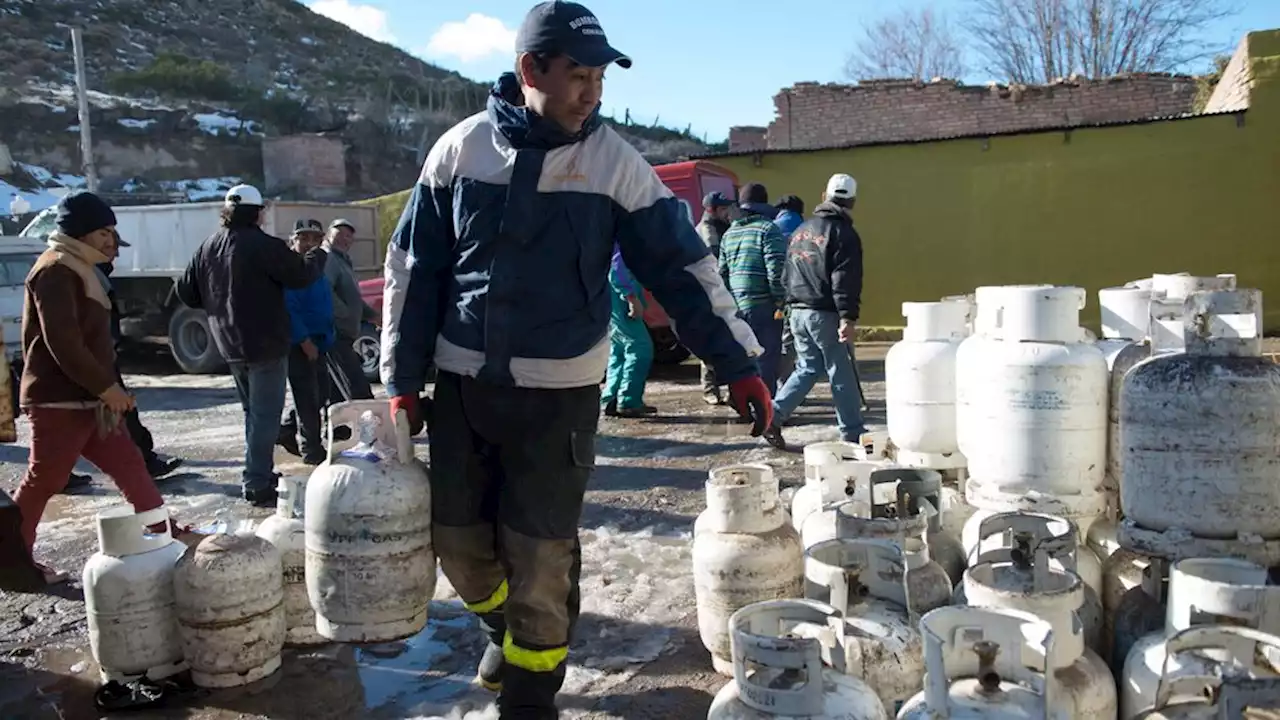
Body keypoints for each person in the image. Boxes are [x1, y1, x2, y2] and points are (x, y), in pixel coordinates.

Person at [381, 3, 772, 716]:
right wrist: (401, 382)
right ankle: (504, 623)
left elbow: (683, 269)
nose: (592, 93)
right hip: (465, 389)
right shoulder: (459, 152)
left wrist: (737, 362)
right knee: (459, 547)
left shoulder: (613, 164)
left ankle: (531, 695)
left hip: (559, 397)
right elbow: (413, 271)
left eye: (598, 78)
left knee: (537, 556)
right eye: (579, 76)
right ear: (532, 70)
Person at [14, 191, 173, 584]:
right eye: (103, 232)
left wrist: (104, 391)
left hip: (89, 401)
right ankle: (12, 560)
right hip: (60, 400)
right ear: (80, 231)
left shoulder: (80, 267)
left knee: (131, 465)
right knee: (45, 479)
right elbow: (63, 342)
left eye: (112, 232)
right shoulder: (55, 270)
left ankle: (166, 536)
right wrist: (107, 388)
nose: (111, 240)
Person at [175, 185, 326, 507]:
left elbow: (186, 292)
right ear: (258, 213)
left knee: (253, 415)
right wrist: (317, 256)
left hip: (229, 342)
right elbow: (300, 275)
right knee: (266, 416)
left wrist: (218, 303)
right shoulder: (263, 245)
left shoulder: (207, 247)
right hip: (265, 342)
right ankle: (257, 482)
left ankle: (259, 472)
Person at [64, 230, 184, 492]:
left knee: (102, 421)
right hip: (95, 362)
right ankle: (144, 465)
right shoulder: (85, 274)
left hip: (100, 358)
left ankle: (143, 467)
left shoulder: (95, 274)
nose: (116, 253)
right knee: (111, 416)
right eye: (112, 247)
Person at [764, 173, 866, 450]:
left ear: (825, 196)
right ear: (852, 202)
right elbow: (845, 280)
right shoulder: (844, 234)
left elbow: (786, 273)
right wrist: (848, 317)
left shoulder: (801, 231)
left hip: (797, 311)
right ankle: (854, 433)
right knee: (840, 371)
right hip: (825, 314)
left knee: (808, 367)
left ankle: (772, 415)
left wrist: (787, 306)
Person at [718, 182, 787, 396]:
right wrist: (780, 300)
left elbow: (722, 273)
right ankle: (766, 409)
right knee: (766, 358)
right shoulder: (768, 229)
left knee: (742, 357)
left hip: (737, 306)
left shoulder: (729, 234)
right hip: (763, 305)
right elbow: (775, 269)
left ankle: (741, 402)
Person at [277, 219, 335, 465]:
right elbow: (288, 309)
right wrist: (304, 341)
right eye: (304, 238)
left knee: (321, 393)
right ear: (294, 240)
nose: (310, 243)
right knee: (308, 398)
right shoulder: (291, 269)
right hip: (301, 344)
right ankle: (311, 449)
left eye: (315, 238)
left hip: (321, 342)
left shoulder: (317, 268)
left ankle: (286, 431)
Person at [322, 218, 376, 402]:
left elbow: (353, 298)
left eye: (349, 236)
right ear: (329, 235)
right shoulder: (329, 258)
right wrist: (344, 314)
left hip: (344, 336)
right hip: (335, 335)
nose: (345, 239)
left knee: (332, 392)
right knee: (357, 387)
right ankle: (367, 425)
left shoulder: (343, 261)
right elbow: (325, 290)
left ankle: (339, 429)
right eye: (340, 234)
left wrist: (373, 316)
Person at [600, 244, 655, 418]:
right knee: (640, 347)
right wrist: (630, 297)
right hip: (621, 296)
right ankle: (628, 400)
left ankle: (611, 397)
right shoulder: (624, 236)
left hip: (611, 296)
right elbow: (617, 269)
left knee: (619, 349)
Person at [696, 191, 734, 406]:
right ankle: (710, 389)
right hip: (709, 294)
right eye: (724, 208)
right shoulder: (708, 232)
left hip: (718, 293)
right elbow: (714, 266)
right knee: (712, 341)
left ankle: (726, 387)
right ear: (714, 209)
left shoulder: (721, 228)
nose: (728, 211)